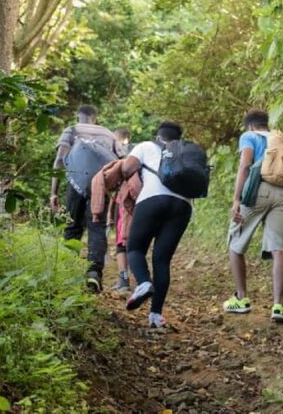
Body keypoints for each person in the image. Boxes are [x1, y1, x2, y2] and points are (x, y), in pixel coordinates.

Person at [119, 122, 194, 328]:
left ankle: (143, 282)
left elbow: (126, 168)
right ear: (179, 138)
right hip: (183, 206)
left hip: (152, 199)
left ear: (157, 135)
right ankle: (155, 315)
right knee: (162, 259)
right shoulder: (186, 152)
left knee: (135, 248)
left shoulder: (145, 146)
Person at [222, 109, 283, 323]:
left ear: (250, 126)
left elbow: (245, 165)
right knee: (279, 247)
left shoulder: (249, 137)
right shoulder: (279, 139)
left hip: (257, 191)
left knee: (236, 242)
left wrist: (237, 199)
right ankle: (278, 305)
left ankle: (242, 299)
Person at [51, 104, 123, 292]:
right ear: (95, 118)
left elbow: (60, 159)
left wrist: (54, 192)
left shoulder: (71, 130)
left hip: (75, 185)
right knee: (97, 227)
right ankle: (93, 274)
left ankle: (69, 271)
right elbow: (122, 162)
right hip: (100, 185)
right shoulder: (109, 134)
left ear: (78, 116)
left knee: (72, 226)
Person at [112, 126, 133, 292]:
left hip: (124, 200)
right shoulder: (137, 153)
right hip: (142, 199)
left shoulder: (119, 152)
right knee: (134, 241)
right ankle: (142, 279)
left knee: (121, 240)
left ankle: (124, 278)